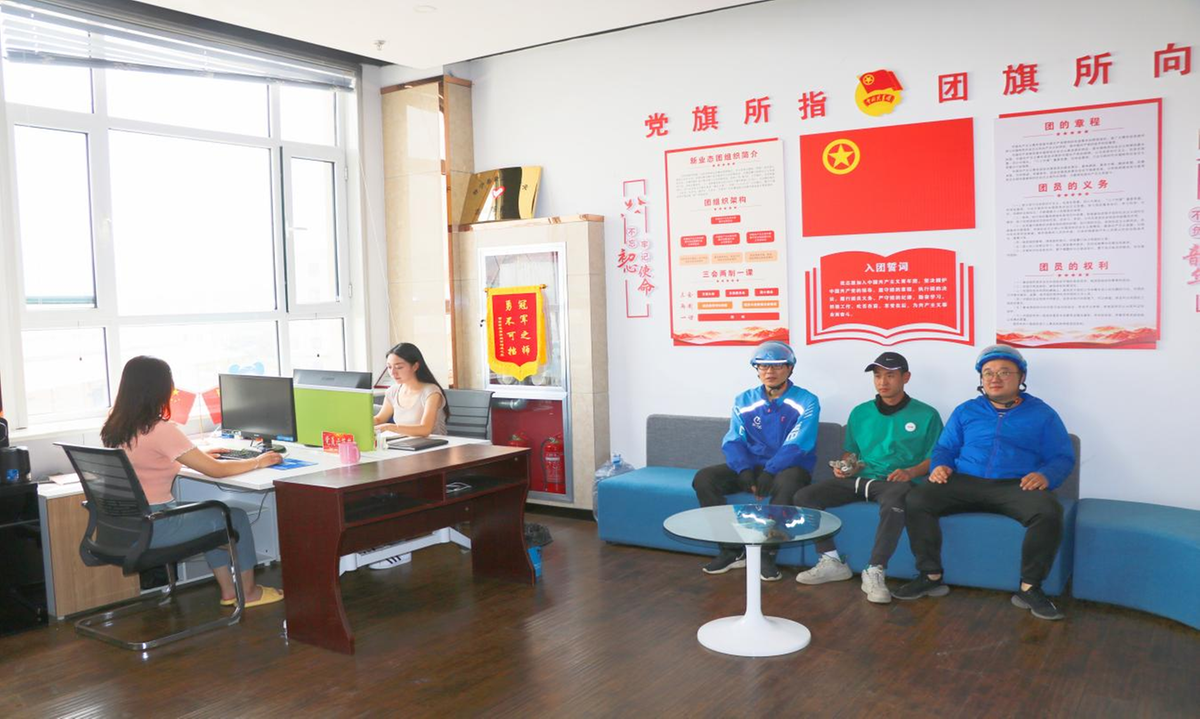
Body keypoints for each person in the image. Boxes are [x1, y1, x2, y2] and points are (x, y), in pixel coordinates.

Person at [892, 345, 1075, 620]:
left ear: (1021, 377)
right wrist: (940, 466)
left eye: (1004, 372)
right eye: (988, 373)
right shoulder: (966, 411)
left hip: (1015, 485)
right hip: (965, 481)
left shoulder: (1042, 414)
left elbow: (1061, 457)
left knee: (1048, 511)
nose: (994, 378)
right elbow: (945, 448)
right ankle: (930, 575)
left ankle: (1030, 588)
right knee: (918, 498)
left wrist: (1046, 476)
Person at [100, 356, 284, 608]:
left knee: (211, 515)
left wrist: (196, 456)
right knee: (233, 517)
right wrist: (258, 461)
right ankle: (249, 593)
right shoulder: (159, 429)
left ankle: (229, 592)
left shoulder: (114, 423)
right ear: (160, 389)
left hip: (127, 523)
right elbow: (216, 471)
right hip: (156, 524)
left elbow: (148, 459)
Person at [792, 352, 943, 604]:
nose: (883, 382)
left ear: (906, 377)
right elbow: (851, 452)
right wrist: (847, 467)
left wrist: (910, 472)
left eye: (890, 375)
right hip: (860, 479)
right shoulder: (860, 412)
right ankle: (831, 560)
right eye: (878, 376)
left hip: (895, 483)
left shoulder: (926, 414)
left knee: (896, 500)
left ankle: (875, 569)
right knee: (804, 496)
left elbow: (935, 458)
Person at [692, 341, 820, 581]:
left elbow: (798, 444)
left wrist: (770, 472)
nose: (770, 371)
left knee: (789, 481)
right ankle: (731, 551)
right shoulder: (744, 400)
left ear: (790, 369)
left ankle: (767, 554)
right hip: (754, 466)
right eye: (763, 366)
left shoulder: (807, 400)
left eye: (777, 366)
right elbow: (733, 440)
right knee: (704, 478)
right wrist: (743, 470)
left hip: (790, 468)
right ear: (757, 369)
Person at [374, 342, 448, 437]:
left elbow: (425, 429)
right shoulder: (392, 391)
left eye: (399, 367)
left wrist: (389, 427)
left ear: (415, 366)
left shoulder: (431, 392)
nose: (392, 372)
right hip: (405, 442)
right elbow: (379, 419)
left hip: (435, 443)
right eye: (389, 367)